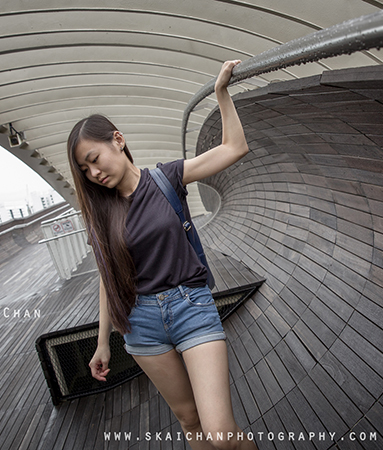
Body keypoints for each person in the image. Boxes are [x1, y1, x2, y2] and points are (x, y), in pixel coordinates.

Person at [66, 60, 257, 450]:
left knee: (221, 434)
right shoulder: (100, 216)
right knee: (190, 423)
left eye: (94, 159)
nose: (93, 173)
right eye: (84, 169)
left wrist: (221, 93)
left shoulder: (166, 178)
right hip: (141, 323)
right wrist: (103, 342)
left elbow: (235, 147)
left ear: (117, 140)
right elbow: (108, 279)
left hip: (191, 306)